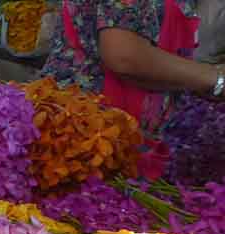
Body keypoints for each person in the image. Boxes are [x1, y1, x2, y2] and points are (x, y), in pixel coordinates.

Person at [43, 0, 224, 134]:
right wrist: (213, 78)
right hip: (85, 131)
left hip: (121, 136)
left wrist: (194, 79)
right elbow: (124, 55)